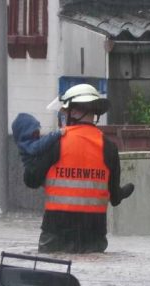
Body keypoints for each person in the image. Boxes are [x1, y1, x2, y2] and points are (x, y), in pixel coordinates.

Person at [23, 84, 134, 253]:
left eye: (65, 112)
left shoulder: (55, 142)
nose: (63, 116)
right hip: (93, 236)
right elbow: (115, 197)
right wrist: (124, 191)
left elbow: (30, 180)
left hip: (56, 233)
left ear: (74, 112)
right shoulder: (109, 147)